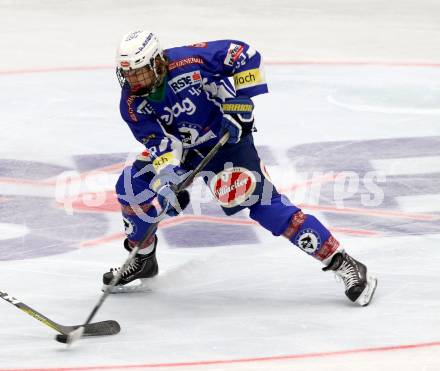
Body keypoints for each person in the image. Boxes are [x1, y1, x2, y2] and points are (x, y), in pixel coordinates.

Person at [103, 30, 377, 306]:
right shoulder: (131, 103)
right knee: (132, 184)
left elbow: (243, 54)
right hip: (184, 150)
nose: (134, 80)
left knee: (266, 207)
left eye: (140, 72)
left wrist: (241, 102)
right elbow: (159, 143)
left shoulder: (190, 60)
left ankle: (342, 261)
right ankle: (143, 257)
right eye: (128, 74)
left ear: (157, 62)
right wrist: (168, 181)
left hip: (226, 142)